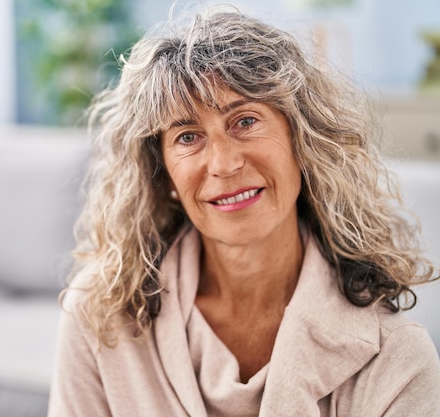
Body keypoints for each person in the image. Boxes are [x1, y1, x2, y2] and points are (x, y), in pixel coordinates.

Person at [48, 6, 440, 416]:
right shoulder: (97, 314)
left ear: (302, 140)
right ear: (162, 174)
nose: (223, 164)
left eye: (245, 121)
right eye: (187, 136)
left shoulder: (397, 360)